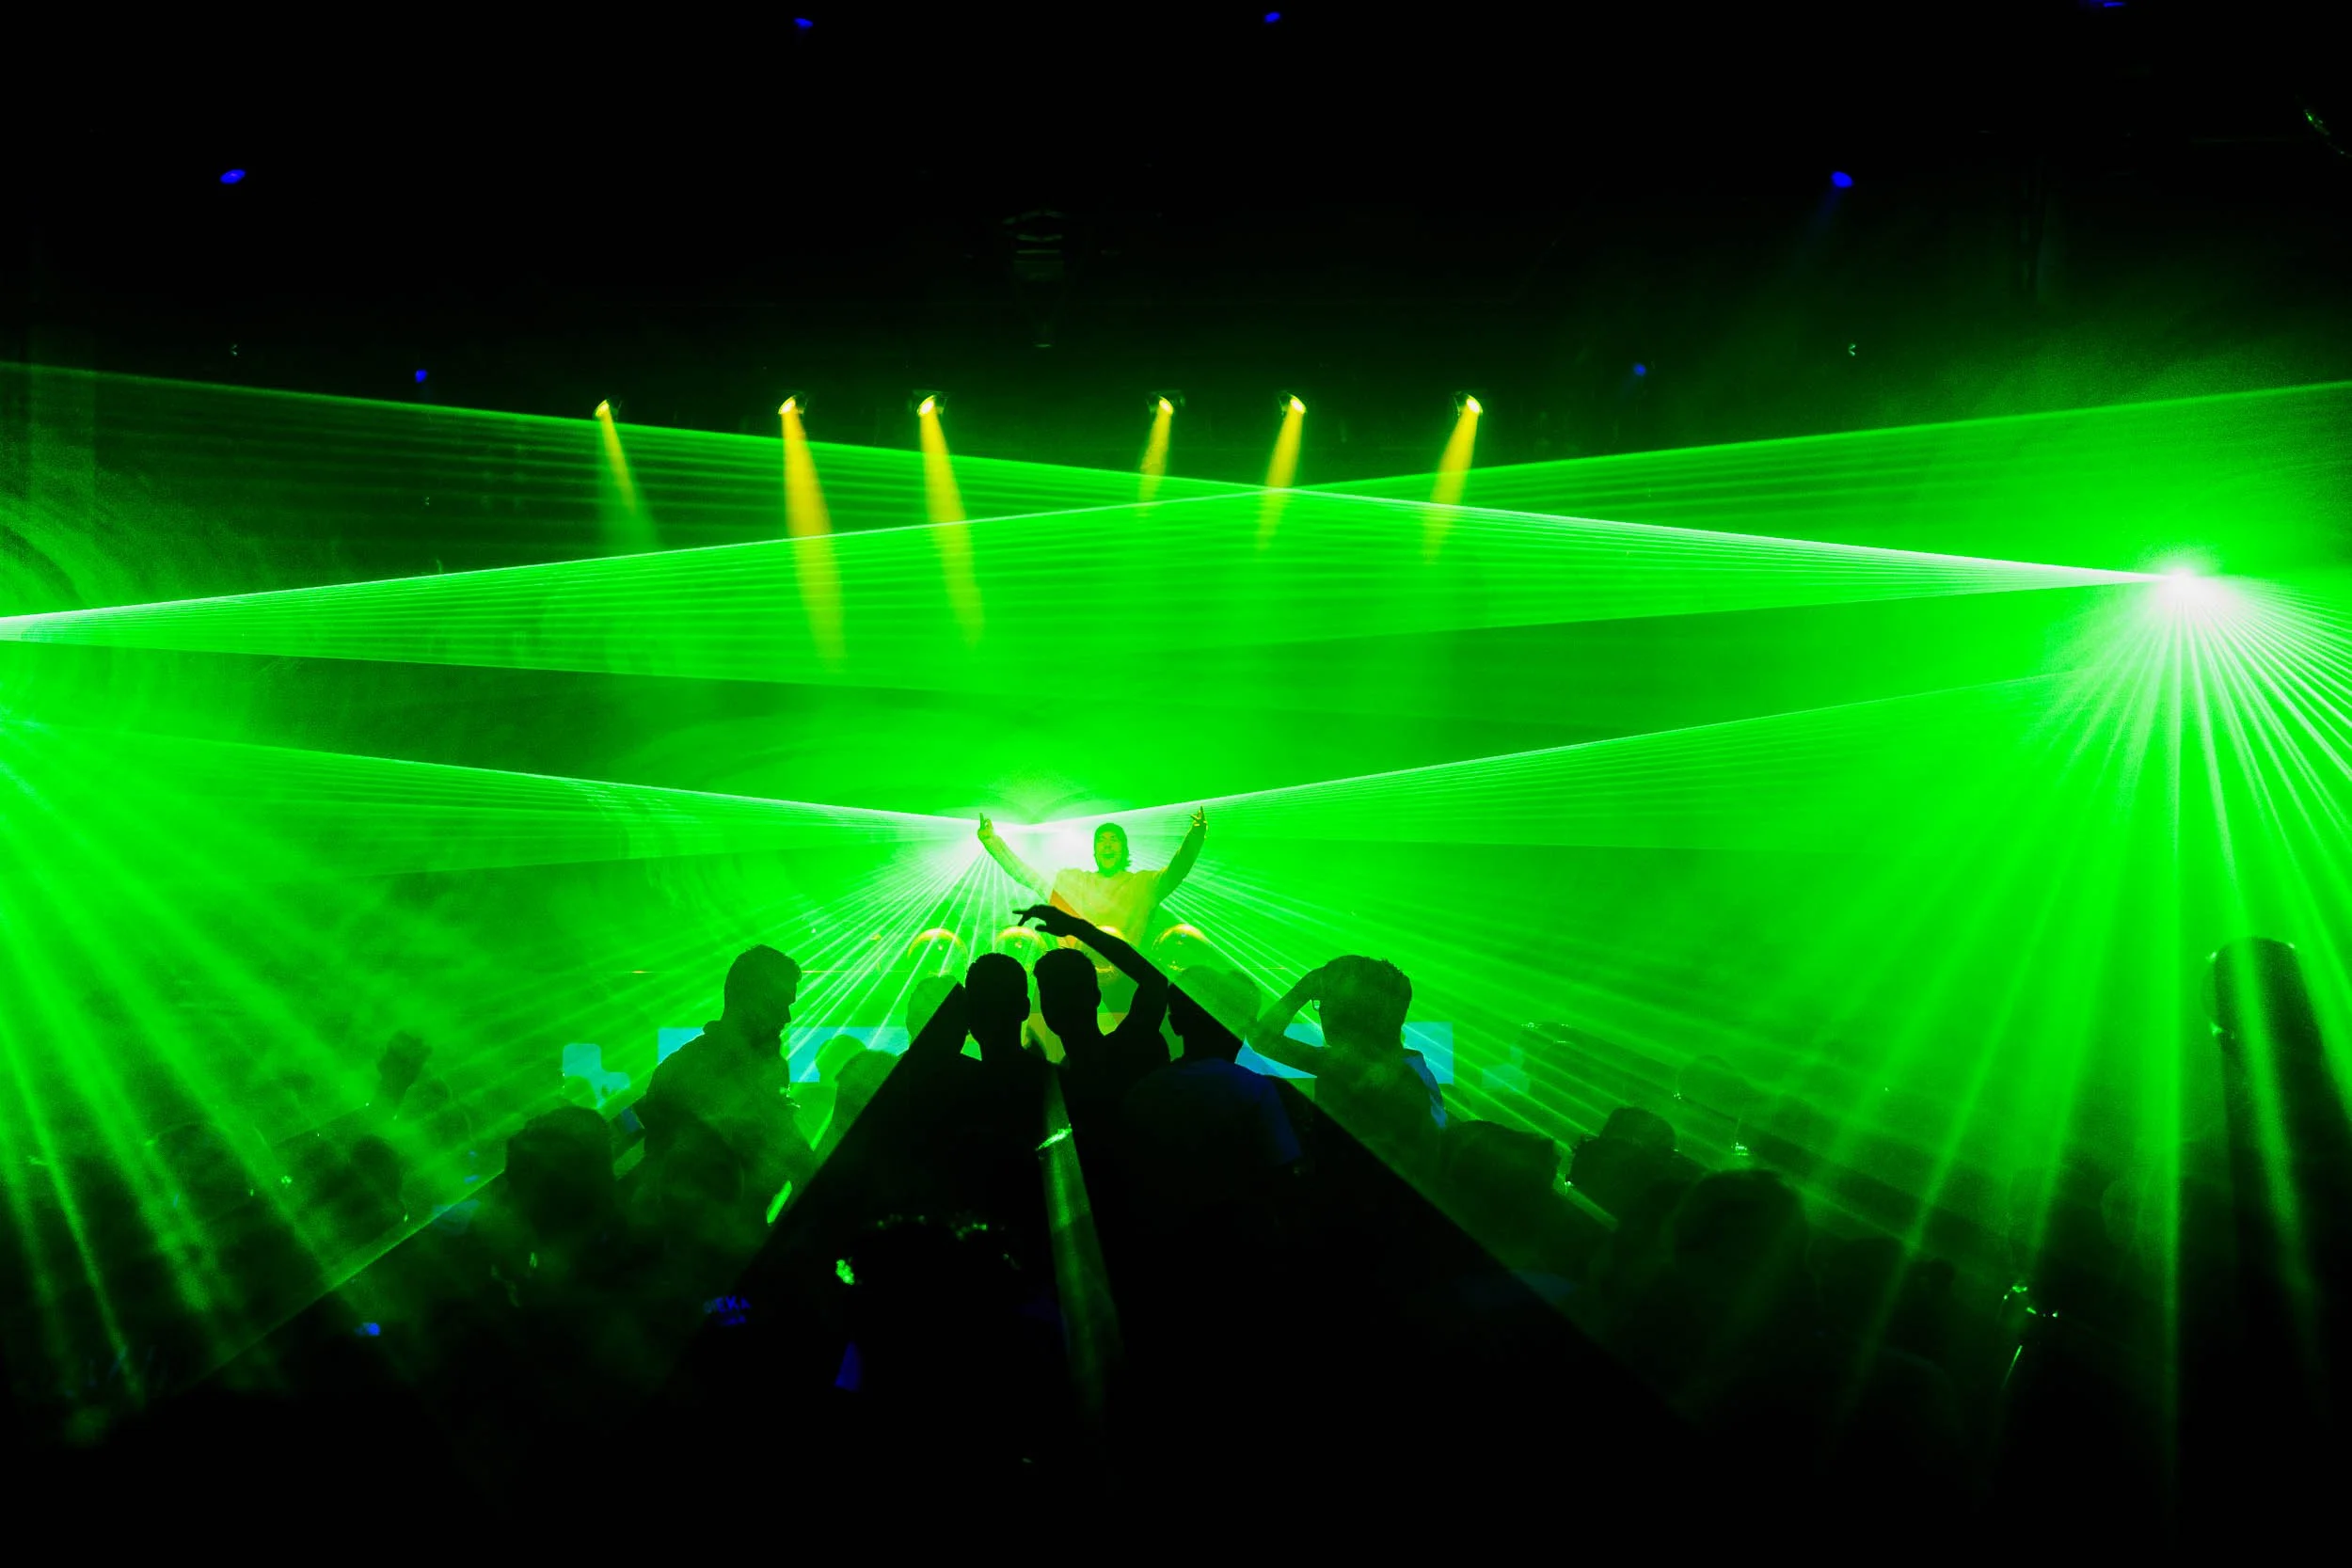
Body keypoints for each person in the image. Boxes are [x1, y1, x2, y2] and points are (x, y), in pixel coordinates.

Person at [638, 944, 809, 1213]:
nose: (786, 1018)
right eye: (779, 1004)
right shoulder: (686, 1071)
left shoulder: (770, 1069)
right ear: (750, 999)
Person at [1249, 956, 1442, 1154]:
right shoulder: (1408, 1068)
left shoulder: (1351, 1067)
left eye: (1325, 998)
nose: (1321, 1009)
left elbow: (1263, 1039)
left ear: (1352, 1008)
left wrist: (1304, 988)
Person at [1018, 902, 1171, 1137]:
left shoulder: (1130, 1048)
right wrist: (1076, 928)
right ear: (1095, 997)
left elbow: (1155, 981)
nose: (1061, 1003)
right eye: (1055, 993)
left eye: (1065, 992)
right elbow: (1154, 981)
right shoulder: (1132, 1045)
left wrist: (1077, 927)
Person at [978, 808, 1208, 950]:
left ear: (1124, 850)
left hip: (1128, 982)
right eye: (1102, 840)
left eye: (1114, 840)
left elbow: (1177, 870)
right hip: (1077, 983)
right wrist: (992, 843)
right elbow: (1026, 875)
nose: (1107, 845)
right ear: (1095, 851)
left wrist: (1195, 836)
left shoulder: (1145, 884)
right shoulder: (1073, 881)